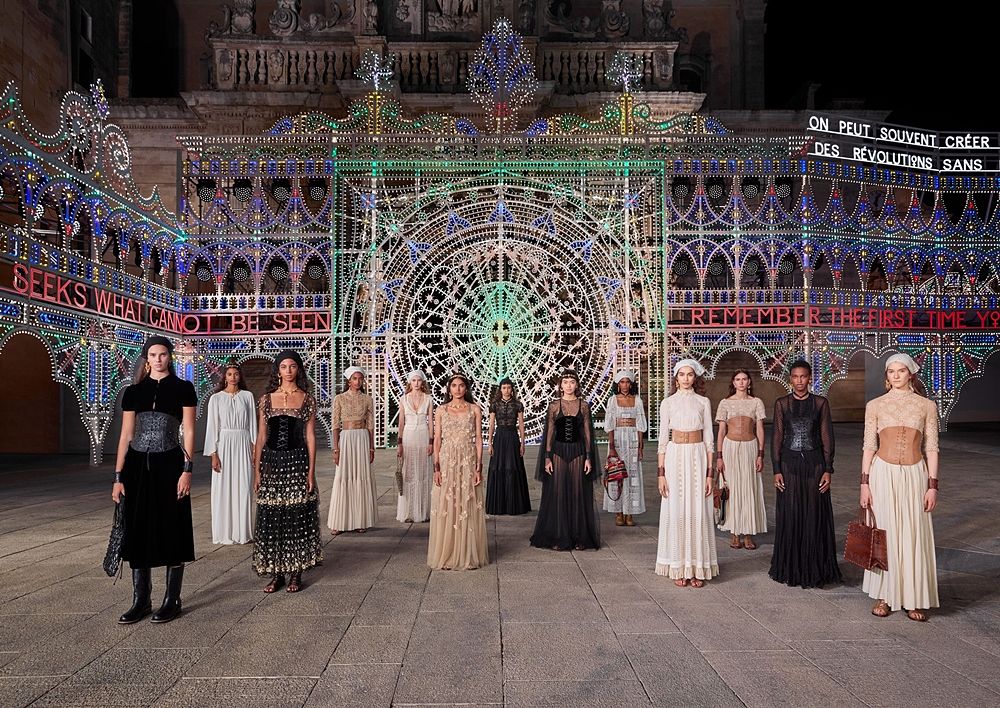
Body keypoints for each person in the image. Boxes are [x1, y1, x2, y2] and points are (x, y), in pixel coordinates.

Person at [112, 336, 197, 624]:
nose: (158, 359)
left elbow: (188, 430)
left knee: (172, 525)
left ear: (169, 357)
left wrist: (187, 469)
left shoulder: (183, 388)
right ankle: (141, 600)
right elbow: (126, 435)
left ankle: (172, 600)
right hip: (137, 466)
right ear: (146, 358)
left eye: (163, 354)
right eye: (153, 354)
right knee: (139, 529)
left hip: (170, 463)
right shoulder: (134, 391)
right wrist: (118, 476)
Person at [861, 353, 939, 621]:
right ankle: (885, 595)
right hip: (883, 474)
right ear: (886, 376)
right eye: (891, 371)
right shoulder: (875, 406)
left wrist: (933, 485)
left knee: (913, 532)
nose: (895, 375)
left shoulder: (927, 406)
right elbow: (869, 446)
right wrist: (864, 483)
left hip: (916, 474)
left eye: (901, 371)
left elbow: (932, 447)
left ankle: (913, 596)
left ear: (911, 374)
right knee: (886, 532)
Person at [252, 350, 322, 593]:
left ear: (298, 370)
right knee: (272, 517)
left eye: (293, 366)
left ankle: (296, 573)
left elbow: (310, 437)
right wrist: (258, 471)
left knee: (296, 516)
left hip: (296, 461)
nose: (289, 370)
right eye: (284, 366)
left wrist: (311, 471)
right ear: (278, 371)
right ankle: (276, 573)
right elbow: (261, 436)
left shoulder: (307, 399)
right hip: (272, 462)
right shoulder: (266, 399)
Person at [769, 360, 842, 588]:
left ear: (810, 378)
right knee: (790, 513)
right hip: (789, 464)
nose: (799, 380)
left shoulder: (821, 403)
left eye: (803, 376)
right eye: (795, 376)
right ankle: (791, 567)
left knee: (813, 514)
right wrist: (776, 469)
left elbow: (827, 437)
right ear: (790, 379)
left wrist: (828, 469)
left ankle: (816, 569)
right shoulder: (781, 404)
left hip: (815, 464)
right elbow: (777, 438)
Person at [655, 359, 717, 586]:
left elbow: (709, 437)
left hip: (698, 457)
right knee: (677, 509)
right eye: (682, 374)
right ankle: (678, 566)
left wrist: (710, 473)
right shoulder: (667, 403)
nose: (686, 378)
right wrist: (661, 473)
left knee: (698, 509)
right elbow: (663, 439)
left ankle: (697, 568)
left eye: (690, 374)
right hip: (674, 457)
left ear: (695, 377)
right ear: (676, 378)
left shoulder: (704, 402)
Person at [530, 370, 601, 551]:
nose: (569, 385)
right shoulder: (554, 406)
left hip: (578, 452)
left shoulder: (584, 405)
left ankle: (579, 537)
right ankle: (559, 535)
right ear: (560, 385)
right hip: (558, 452)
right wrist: (547, 458)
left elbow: (587, 434)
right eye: (565, 382)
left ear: (576, 385)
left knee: (578, 494)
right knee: (558, 494)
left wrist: (589, 458)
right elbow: (550, 433)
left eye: (572, 382)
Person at [427, 373, 488, 570]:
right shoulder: (441, 410)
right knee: (447, 503)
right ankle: (447, 553)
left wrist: (479, 466)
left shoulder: (475, 409)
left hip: (468, 460)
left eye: (461, 385)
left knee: (467, 503)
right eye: (454, 385)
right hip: (447, 460)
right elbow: (437, 440)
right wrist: (436, 467)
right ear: (449, 388)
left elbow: (479, 439)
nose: (458, 389)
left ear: (466, 388)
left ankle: (468, 554)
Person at [204, 361, 257, 545]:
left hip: (243, 441)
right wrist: (213, 454)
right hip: (224, 444)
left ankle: (243, 533)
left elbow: (253, 424)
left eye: (236, 374)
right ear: (224, 377)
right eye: (229, 374)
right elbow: (212, 427)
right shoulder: (216, 398)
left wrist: (254, 448)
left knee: (244, 486)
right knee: (223, 488)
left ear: (240, 376)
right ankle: (224, 532)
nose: (233, 377)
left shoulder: (248, 396)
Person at [715, 369, 767, 550]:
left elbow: (760, 429)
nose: (741, 382)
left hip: (750, 447)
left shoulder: (756, 402)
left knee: (749, 487)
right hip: (730, 448)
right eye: (738, 379)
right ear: (733, 383)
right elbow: (721, 431)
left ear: (749, 382)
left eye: (745, 379)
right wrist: (719, 456)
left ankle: (748, 534)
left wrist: (761, 454)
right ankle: (734, 533)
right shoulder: (725, 403)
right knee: (733, 489)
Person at [328, 367, 377, 535]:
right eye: (355, 378)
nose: (358, 381)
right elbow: (335, 425)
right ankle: (338, 521)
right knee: (343, 477)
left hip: (362, 438)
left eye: (360, 378)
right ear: (349, 380)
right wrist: (336, 449)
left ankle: (359, 520)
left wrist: (372, 447)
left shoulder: (367, 399)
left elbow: (371, 425)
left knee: (361, 476)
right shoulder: (339, 399)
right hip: (346, 439)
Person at [603, 370, 647, 526]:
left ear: (631, 383)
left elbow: (641, 425)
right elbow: (609, 424)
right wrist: (611, 445)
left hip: (633, 439)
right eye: (622, 382)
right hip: (618, 441)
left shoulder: (638, 400)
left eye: (627, 382)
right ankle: (618, 512)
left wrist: (640, 446)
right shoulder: (612, 400)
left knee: (632, 474)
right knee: (617, 474)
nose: (625, 385)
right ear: (617, 384)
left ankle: (630, 513)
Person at [485, 377, 531, 515]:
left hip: (512, 437)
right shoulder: (494, 404)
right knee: (498, 467)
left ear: (512, 389)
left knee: (512, 467)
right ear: (500, 389)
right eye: (504, 387)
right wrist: (490, 443)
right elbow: (492, 424)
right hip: (499, 437)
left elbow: (521, 424)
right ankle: (499, 505)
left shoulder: (518, 404)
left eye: (509, 387)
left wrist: (523, 442)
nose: (506, 390)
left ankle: (514, 505)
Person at [396, 370, 434, 523]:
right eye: (413, 380)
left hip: (423, 435)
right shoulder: (404, 399)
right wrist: (399, 443)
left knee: (424, 472)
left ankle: (423, 511)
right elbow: (400, 423)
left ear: (422, 382)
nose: (416, 383)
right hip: (408, 436)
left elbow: (431, 421)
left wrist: (431, 441)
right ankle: (409, 512)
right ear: (409, 382)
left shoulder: (428, 399)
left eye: (419, 380)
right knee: (409, 473)